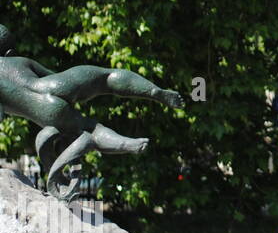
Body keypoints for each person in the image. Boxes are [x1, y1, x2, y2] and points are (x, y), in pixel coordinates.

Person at [0, 24, 184, 198]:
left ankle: (128, 144)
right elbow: (51, 74)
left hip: (44, 109)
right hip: (56, 83)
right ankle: (154, 91)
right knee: (106, 77)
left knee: (92, 130)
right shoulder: (20, 61)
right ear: (9, 52)